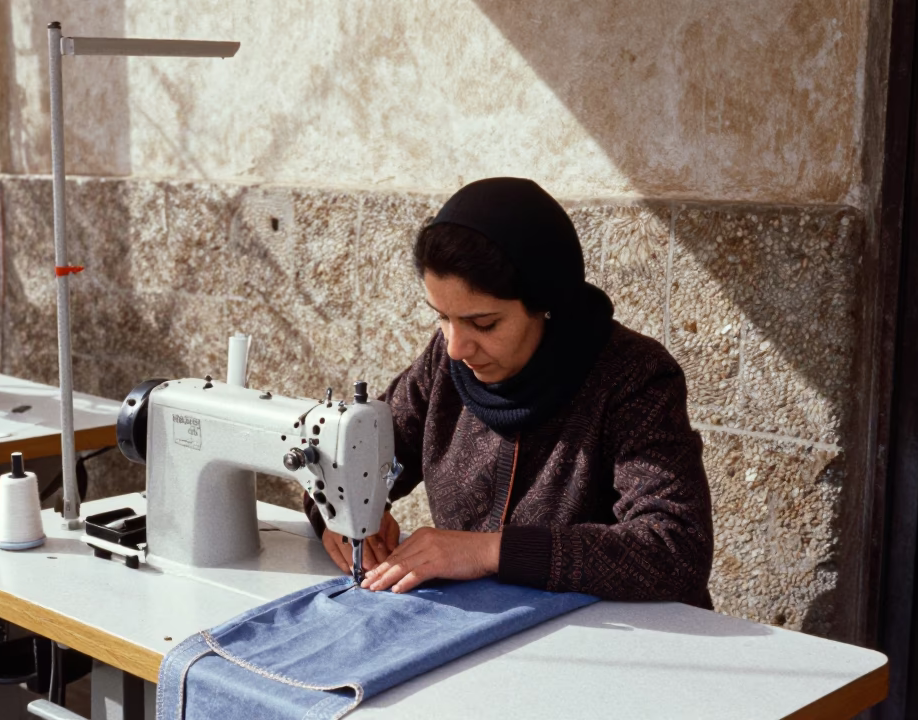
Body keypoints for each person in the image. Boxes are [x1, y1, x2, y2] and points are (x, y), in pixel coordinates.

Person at [303, 177, 714, 608]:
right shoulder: (443, 365)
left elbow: (675, 548)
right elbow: (346, 451)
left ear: (548, 306)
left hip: (621, 646)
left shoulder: (634, 377)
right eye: (442, 317)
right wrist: (338, 511)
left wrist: (488, 551)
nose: (457, 347)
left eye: (484, 324)